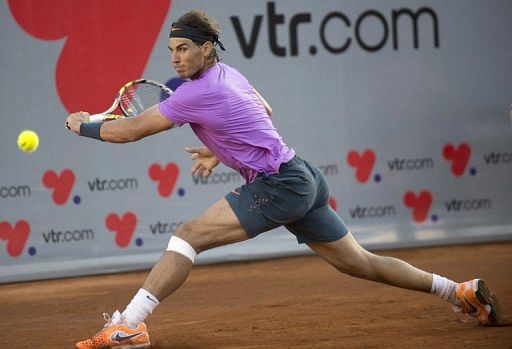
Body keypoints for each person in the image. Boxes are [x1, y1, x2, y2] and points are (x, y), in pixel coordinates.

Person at [66, 10, 503, 349]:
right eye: (171, 50)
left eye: (183, 48)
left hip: (279, 186)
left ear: (205, 49)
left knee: (187, 236)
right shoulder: (228, 75)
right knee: (360, 263)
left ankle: (129, 326)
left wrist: (82, 126)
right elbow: (263, 111)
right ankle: (459, 291)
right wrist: (219, 149)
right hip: (303, 176)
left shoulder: (196, 92)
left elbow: (128, 131)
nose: (176, 58)